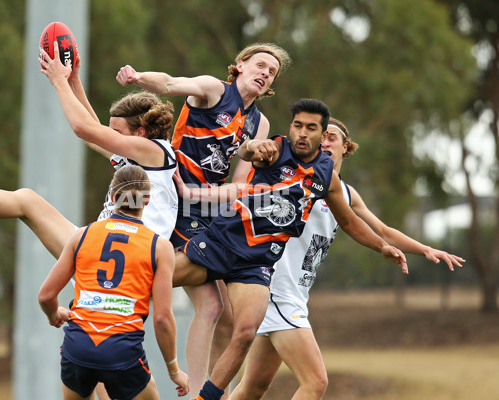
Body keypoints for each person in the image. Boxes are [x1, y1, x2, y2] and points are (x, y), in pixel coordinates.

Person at [170, 99, 409, 400]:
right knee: (154, 278)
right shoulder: (275, 150)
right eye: (297, 125)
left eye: (311, 128)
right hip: (223, 244)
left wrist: (382, 247)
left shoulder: (325, 176)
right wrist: (251, 149)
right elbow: (247, 152)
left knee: (244, 335)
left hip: (255, 265)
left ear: (322, 136)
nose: (302, 133)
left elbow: (348, 221)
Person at [229, 117, 466, 400]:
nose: (325, 141)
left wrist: (426, 249)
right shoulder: (295, 173)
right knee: (315, 382)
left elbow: (382, 230)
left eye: (332, 138)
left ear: (346, 148)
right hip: (276, 288)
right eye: (321, 136)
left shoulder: (345, 193)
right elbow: (252, 166)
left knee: (253, 387)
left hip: (295, 291)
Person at [116, 43, 292, 399]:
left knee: (224, 316)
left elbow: (239, 186)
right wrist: (138, 78)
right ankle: (116, 327)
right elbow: (167, 84)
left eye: (271, 72)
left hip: (206, 208)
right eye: (260, 65)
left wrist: (201, 197)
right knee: (211, 307)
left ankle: (204, 389)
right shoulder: (214, 90)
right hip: (174, 201)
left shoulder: (260, 123)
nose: (265, 73)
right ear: (240, 66)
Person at [0, 49, 178, 263]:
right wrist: (73, 80)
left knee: (29, 202)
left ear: (141, 132)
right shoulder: (139, 153)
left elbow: (82, 128)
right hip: (106, 246)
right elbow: (91, 133)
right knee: (26, 201)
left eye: (116, 132)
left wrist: (58, 81)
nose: (110, 136)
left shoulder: (155, 152)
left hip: (126, 255)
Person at [38, 165, 189, 400]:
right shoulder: (158, 247)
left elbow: (46, 295)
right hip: (122, 351)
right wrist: (174, 370)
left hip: (78, 346)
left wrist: (54, 314)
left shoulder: (83, 235)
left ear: (111, 196)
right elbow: (162, 318)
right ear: (147, 200)